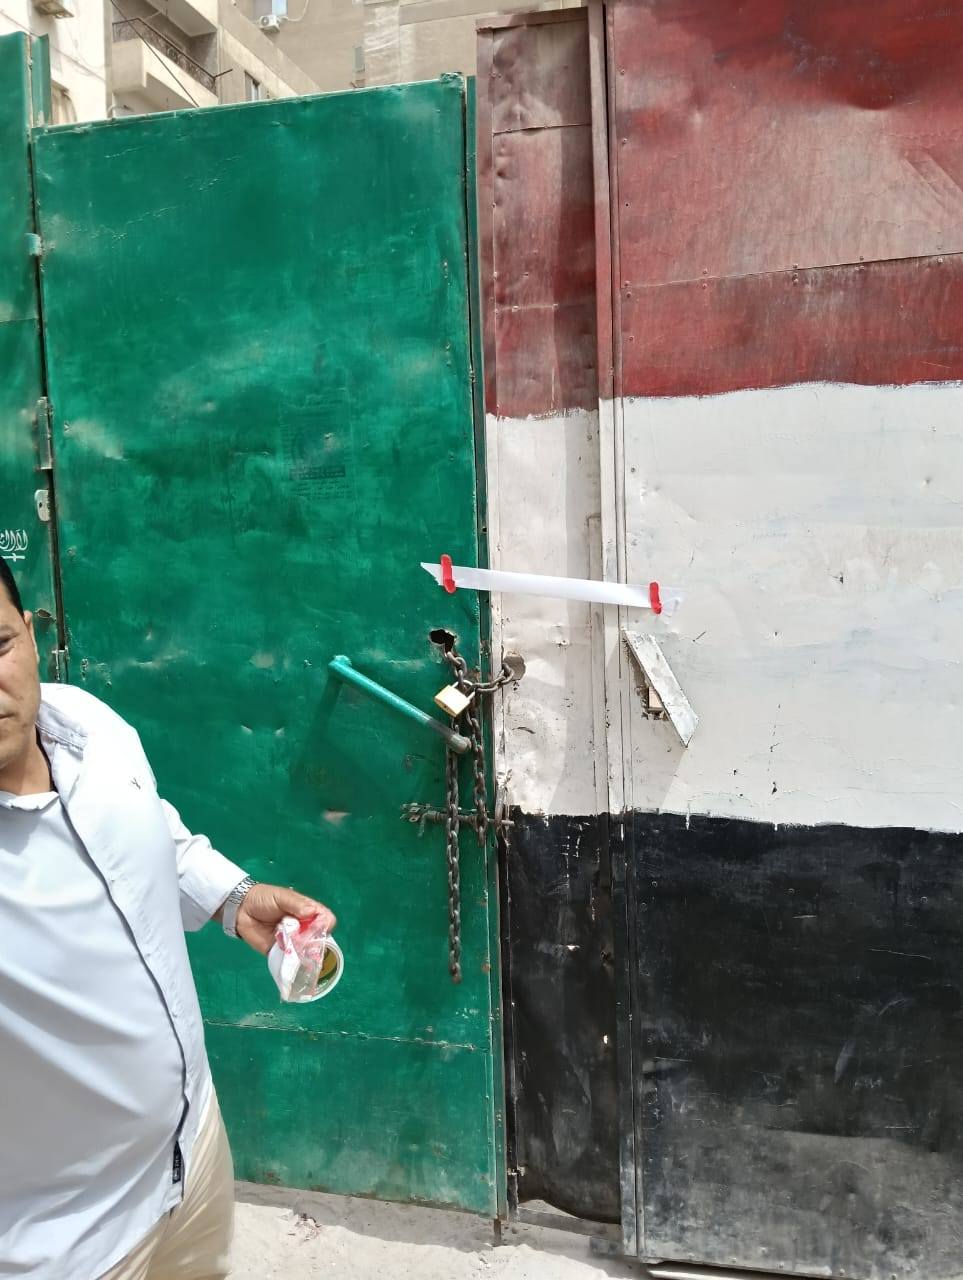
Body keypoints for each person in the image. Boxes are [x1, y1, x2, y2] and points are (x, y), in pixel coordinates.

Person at [0, 559, 336, 1280]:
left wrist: (233, 897)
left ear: (29, 634)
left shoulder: (87, 723)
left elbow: (148, 827)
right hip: (66, 1244)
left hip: (191, 1151)